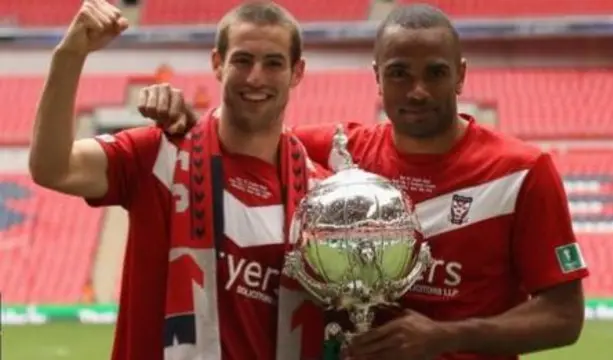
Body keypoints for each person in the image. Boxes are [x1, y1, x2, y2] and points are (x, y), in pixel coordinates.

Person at [142, 4, 589, 360]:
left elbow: (565, 316)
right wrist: (186, 120)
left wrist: (444, 337)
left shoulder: (522, 171)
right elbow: (244, 134)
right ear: (377, 77)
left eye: (435, 72)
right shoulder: (339, 153)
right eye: (399, 73)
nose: (417, 90)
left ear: (461, 75)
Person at [29, 0, 329, 359]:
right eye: (242, 60)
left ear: (297, 72)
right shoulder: (159, 155)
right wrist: (70, 54)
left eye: (273, 63)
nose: (255, 78)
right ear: (217, 64)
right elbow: (52, 167)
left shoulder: (320, 196)